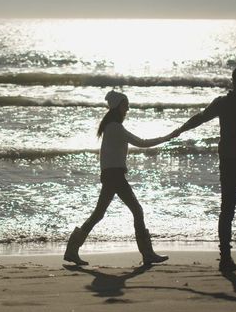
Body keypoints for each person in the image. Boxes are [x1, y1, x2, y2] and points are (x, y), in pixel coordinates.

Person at [170, 63, 236, 272]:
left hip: (228, 163)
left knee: (227, 211)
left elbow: (200, 118)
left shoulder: (223, 103)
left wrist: (180, 129)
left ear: (233, 80)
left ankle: (226, 258)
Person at [64, 90, 174, 266]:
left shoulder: (112, 126)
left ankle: (71, 250)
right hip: (114, 175)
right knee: (136, 210)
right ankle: (147, 253)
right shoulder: (115, 127)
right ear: (117, 107)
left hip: (110, 175)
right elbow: (142, 142)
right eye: (125, 105)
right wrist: (167, 137)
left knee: (99, 214)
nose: (128, 108)